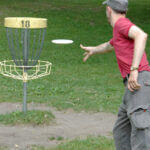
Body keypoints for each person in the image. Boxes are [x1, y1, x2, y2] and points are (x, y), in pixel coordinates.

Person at [80, 0, 150, 149]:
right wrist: (93, 50)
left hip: (139, 81)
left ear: (109, 10)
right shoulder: (120, 29)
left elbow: (141, 35)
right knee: (121, 131)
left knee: (140, 130)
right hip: (131, 87)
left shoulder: (121, 24)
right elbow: (109, 45)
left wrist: (134, 69)